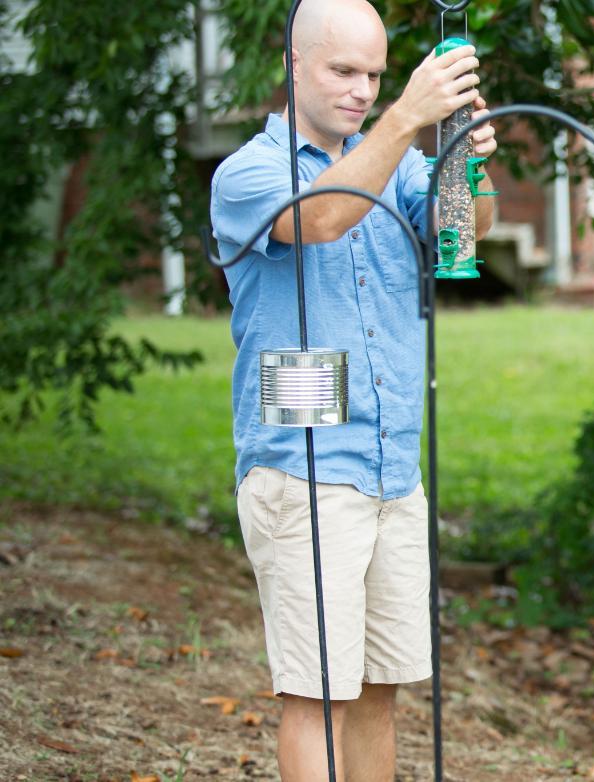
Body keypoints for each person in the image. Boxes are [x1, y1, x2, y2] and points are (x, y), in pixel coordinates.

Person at [209, 0, 496, 778]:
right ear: (293, 63)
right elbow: (324, 216)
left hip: (392, 467)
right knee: (318, 694)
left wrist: (467, 160)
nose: (363, 90)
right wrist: (407, 116)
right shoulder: (248, 173)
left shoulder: (400, 160)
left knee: (378, 688)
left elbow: (462, 238)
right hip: (303, 469)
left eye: (374, 75)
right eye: (344, 71)